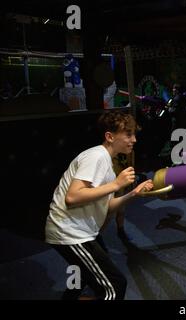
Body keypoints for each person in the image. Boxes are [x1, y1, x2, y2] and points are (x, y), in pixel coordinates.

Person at [45, 111, 153, 300]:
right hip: (69, 232)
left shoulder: (107, 164)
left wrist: (133, 193)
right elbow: (72, 196)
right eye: (128, 134)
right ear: (109, 137)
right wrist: (116, 185)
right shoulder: (96, 156)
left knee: (83, 277)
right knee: (114, 286)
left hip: (83, 231)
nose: (134, 139)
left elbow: (107, 206)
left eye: (134, 134)